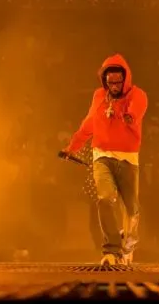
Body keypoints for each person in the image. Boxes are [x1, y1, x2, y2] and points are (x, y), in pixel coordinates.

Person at [60, 54, 148, 266]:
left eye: (118, 82)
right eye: (110, 83)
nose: (114, 86)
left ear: (125, 79)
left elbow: (137, 110)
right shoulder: (99, 97)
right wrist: (72, 148)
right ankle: (111, 250)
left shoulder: (137, 95)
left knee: (131, 209)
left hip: (128, 159)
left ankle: (128, 247)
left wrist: (130, 116)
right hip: (102, 157)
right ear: (105, 81)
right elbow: (88, 124)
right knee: (105, 198)